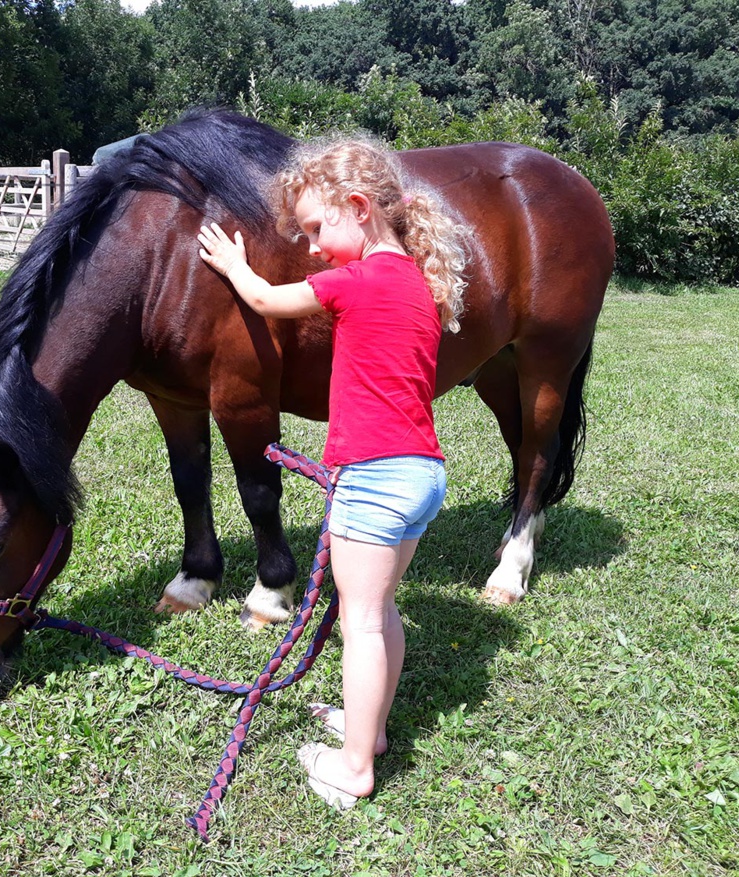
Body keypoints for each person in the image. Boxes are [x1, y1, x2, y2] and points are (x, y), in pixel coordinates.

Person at [197, 137, 467, 808]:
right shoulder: (418, 281)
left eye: (318, 227)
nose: (314, 245)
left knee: (361, 623)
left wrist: (233, 261)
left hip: (374, 478)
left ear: (357, 207)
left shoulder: (354, 280)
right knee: (377, 612)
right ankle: (366, 732)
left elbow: (263, 299)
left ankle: (352, 768)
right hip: (422, 474)